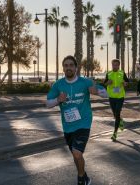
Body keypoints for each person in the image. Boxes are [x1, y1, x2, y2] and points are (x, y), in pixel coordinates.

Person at [46, 55, 107, 185]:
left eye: (71, 65)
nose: (68, 68)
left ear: (76, 67)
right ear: (63, 68)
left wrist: (96, 91)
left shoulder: (85, 82)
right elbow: (48, 103)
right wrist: (58, 100)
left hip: (83, 123)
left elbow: (106, 93)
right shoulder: (58, 85)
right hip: (68, 126)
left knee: (77, 153)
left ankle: (80, 179)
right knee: (76, 155)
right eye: (66, 65)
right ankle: (84, 175)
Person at [104, 59, 129, 141]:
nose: (115, 66)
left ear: (119, 65)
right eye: (113, 65)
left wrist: (125, 83)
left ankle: (115, 133)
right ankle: (120, 120)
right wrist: (108, 82)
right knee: (115, 114)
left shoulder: (122, 73)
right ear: (112, 65)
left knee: (117, 112)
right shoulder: (109, 73)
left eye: (116, 65)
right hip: (111, 97)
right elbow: (104, 83)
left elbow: (127, 82)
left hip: (120, 96)